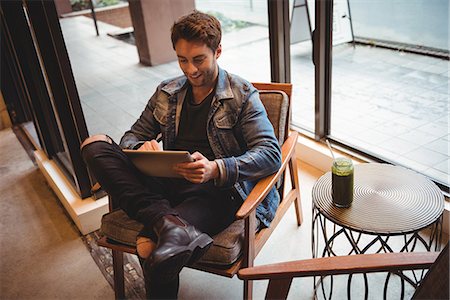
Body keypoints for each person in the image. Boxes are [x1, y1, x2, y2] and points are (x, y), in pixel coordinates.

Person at [81, 10, 281, 299]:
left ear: (218, 51)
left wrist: (216, 168)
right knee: (95, 145)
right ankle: (169, 223)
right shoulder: (167, 91)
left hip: (214, 192)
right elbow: (132, 135)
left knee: (151, 247)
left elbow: (270, 153)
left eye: (199, 59)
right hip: (166, 182)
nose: (190, 69)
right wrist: (140, 147)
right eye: (182, 59)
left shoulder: (242, 95)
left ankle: (164, 226)